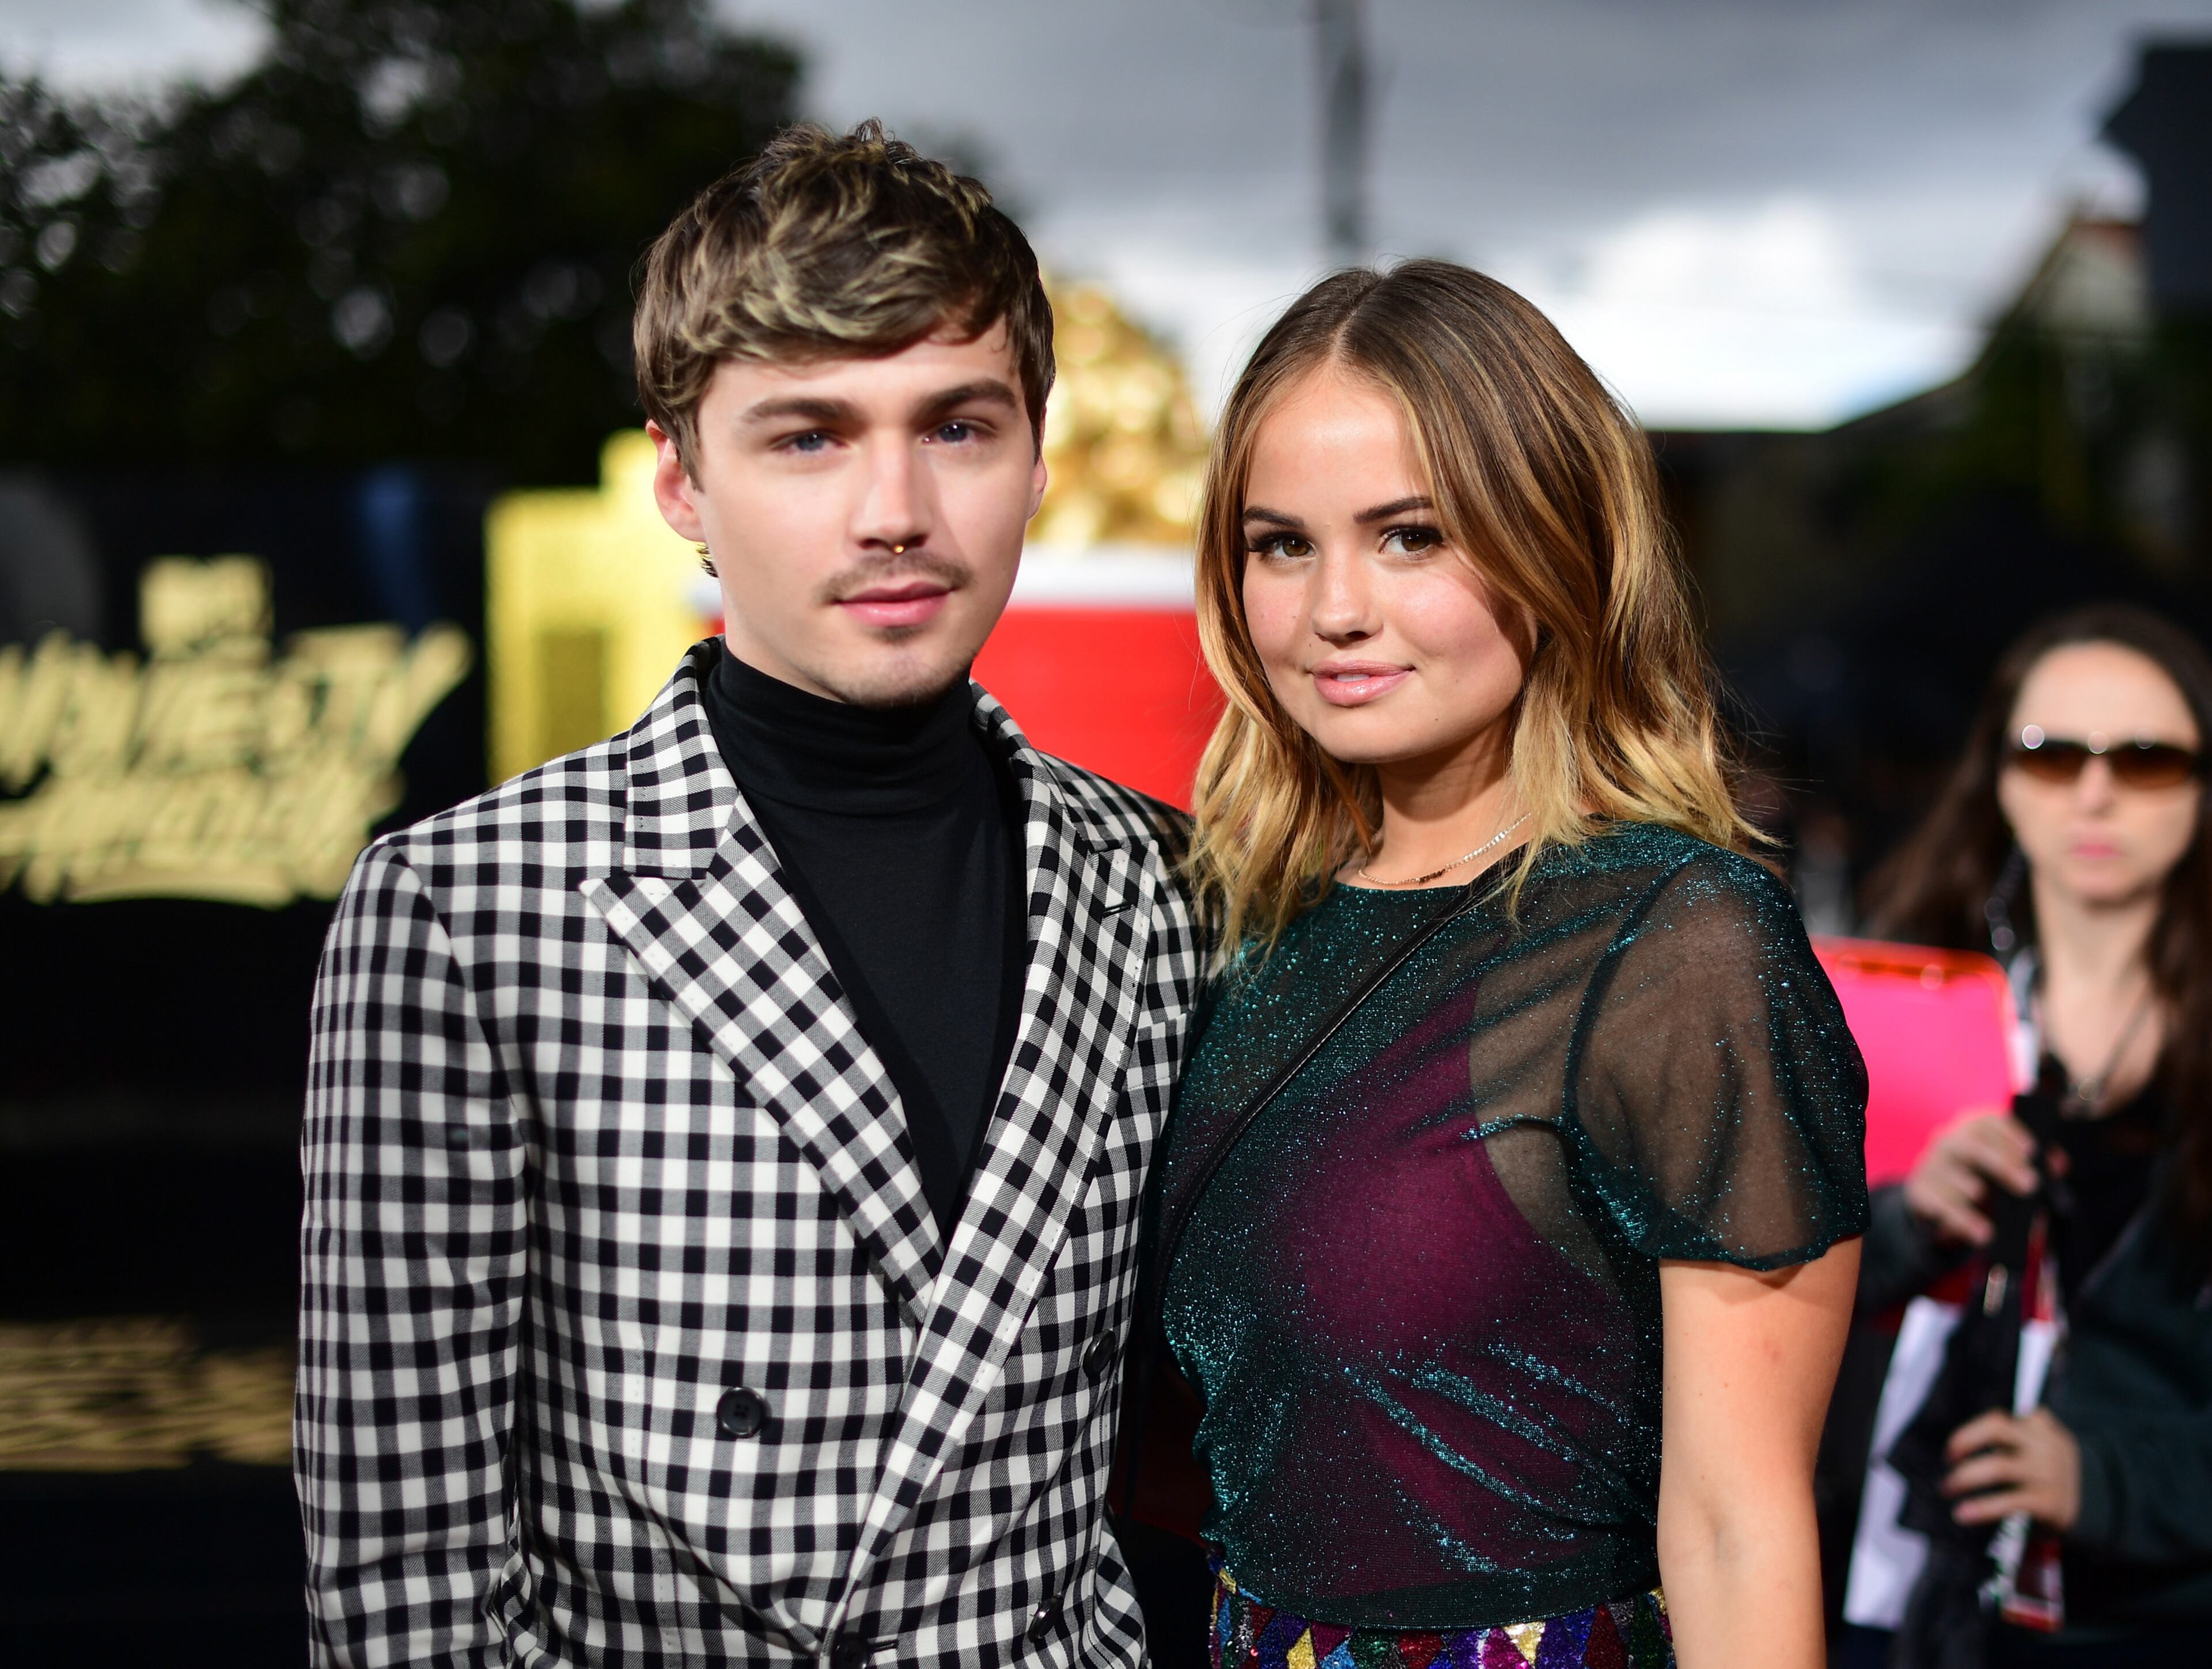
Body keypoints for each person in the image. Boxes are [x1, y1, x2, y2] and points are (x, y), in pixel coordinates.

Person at [294, 123, 1203, 1667]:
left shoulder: (1165, 882)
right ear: (680, 481)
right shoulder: (472, 908)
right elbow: (404, 1582)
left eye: (958, 428)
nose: (895, 510)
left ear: (1041, 462)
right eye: (809, 437)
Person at [1145, 261, 1868, 1669]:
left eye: (1411, 536)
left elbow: (1735, 1528)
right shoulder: (1234, 920)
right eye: (1280, 543)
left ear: (1555, 544)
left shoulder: (1677, 942)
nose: (1334, 608)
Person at [1846, 604, 2212, 1666]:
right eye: (2054, 756)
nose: (2096, 792)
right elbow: (1774, 1290)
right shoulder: (1897, 1004)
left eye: (2145, 759)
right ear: (1998, 778)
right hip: (1918, 1599)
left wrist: (2102, 1481)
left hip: (2160, 1619)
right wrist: (1912, 1218)